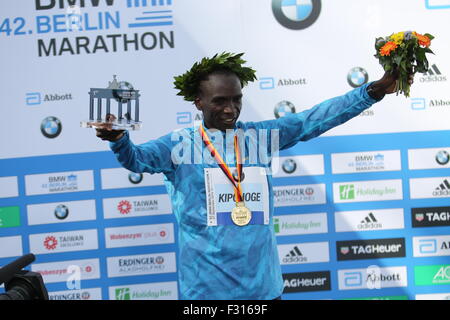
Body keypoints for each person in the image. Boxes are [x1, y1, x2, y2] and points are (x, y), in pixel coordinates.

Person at [96, 52, 412, 300]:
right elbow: (137, 160)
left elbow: (312, 119)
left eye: (236, 99)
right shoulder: (177, 144)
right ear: (199, 102)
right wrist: (119, 141)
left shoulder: (260, 138)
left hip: (263, 287)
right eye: (220, 101)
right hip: (207, 291)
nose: (231, 109)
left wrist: (372, 91)